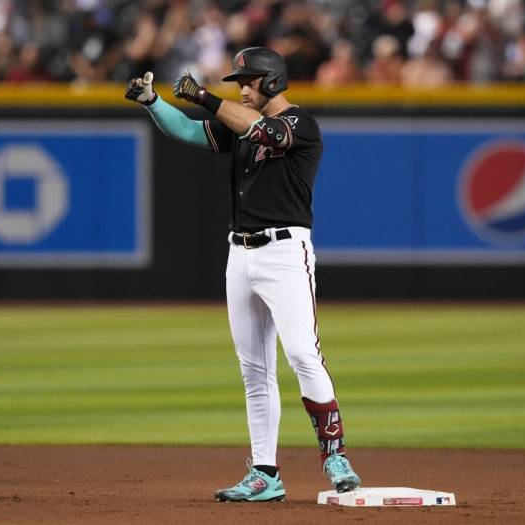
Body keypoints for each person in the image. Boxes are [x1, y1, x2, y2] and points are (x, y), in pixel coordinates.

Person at [124, 47, 361, 502]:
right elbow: (190, 132)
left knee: (302, 355)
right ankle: (265, 473)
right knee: (254, 370)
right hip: (241, 254)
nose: (243, 89)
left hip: (286, 252)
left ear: (272, 82)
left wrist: (207, 97)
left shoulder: (300, 125)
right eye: (240, 84)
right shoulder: (242, 126)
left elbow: (264, 130)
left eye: (248, 82)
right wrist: (154, 103)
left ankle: (335, 456)